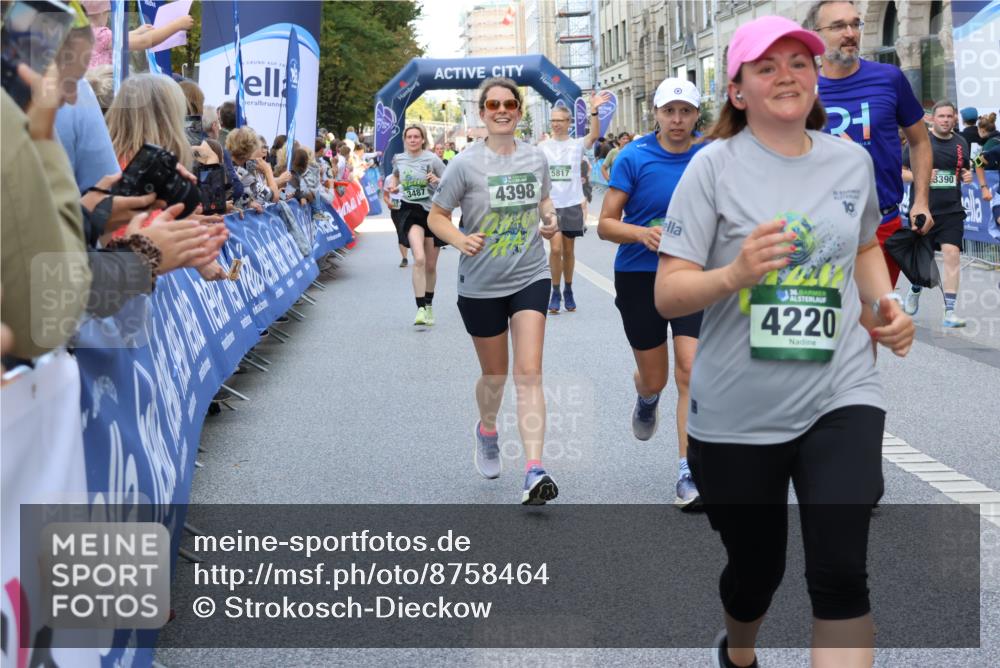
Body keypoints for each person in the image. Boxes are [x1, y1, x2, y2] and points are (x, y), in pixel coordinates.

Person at [654, 16, 914, 667]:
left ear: (816, 78)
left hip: (841, 392)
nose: (787, 76)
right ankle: (739, 650)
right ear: (737, 91)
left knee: (841, 575)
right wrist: (735, 274)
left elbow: (864, 248)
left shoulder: (849, 161)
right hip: (737, 413)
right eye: (766, 67)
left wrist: (884, 306)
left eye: (799, 63)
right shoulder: (713, 168)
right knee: (755, 573)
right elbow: (669, 293)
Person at [427, 77, 561, 505]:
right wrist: (459, 239)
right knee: (495, 376)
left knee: (529, 372)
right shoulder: (465, 163)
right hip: (481, 283)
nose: (501, 110)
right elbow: (436, 216)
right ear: (482, 113)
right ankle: (487, 429)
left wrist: (550, 219)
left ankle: (534, 469)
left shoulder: (535, 157)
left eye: (509, 104)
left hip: (530, 274)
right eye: (493, 105)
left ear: (519, 111)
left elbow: (544, 200)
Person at [597, 78, 706, 510]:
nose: (677, 120)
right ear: (656, 113)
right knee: (656, 377)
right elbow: (606, 224)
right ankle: (646, 396)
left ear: (697, 114)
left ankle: (688, 472)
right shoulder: (634, 156)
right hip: (640, 275)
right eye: (669, 111)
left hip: (692, 273)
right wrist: (641, 233)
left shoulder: (710, 155)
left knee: (690, 369)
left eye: (685, 111)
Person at [806, 0, 933, 299]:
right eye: (838, 26)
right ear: (815, 36)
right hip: (818, 228)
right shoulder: (800, 88)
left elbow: (919, 141)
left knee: (872, 320)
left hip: (881, 224)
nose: (850, 33)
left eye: (855, 24)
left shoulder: (889, 78)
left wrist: (921, 201)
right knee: (829, 321)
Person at [901, 101, 972, 327]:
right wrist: (920, 175)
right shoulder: (919, 142)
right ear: (933, 119)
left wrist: (966, 176)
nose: (945, 120)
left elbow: (963, 170)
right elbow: (901, 172)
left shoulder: (961, 142)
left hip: (952, 210)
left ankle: (949, 312)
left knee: (952, 254)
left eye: (949, 116)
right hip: (924, 209)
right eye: (941, 116)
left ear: (955, 118)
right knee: (924, 260)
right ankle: (915, 289)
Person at [538, 91, 610, 314]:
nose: (556, 124)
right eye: (553, 120)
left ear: (569, 122)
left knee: (568, 251)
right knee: (555, 248)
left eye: (560, 120)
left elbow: (595, 134)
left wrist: (594, 111)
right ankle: (555, 291)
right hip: (551, 205)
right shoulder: (542, 147)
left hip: (571, 204)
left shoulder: (577, 144)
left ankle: (568, 289)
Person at [384, 125, 446, 325]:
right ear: (405, 139)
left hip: (432, 212)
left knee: (430, 266)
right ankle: (420, 309)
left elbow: (449, 180)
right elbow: (395, 174)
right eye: (409, 137)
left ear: (422, 139)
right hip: (410, 211)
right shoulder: (399, 159)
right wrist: (394, 185)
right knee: (419, 258)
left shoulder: (432, 159)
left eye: (416, 137)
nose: (412, 140)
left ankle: (429, 305)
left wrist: (436, 179)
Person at [80, 0, 193, 69]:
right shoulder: (102, 34)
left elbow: (120, 38)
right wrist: (177, 25)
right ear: (102, 13)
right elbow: (144, 42)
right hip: (103, 93)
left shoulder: (85, 33)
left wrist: (137, 32)